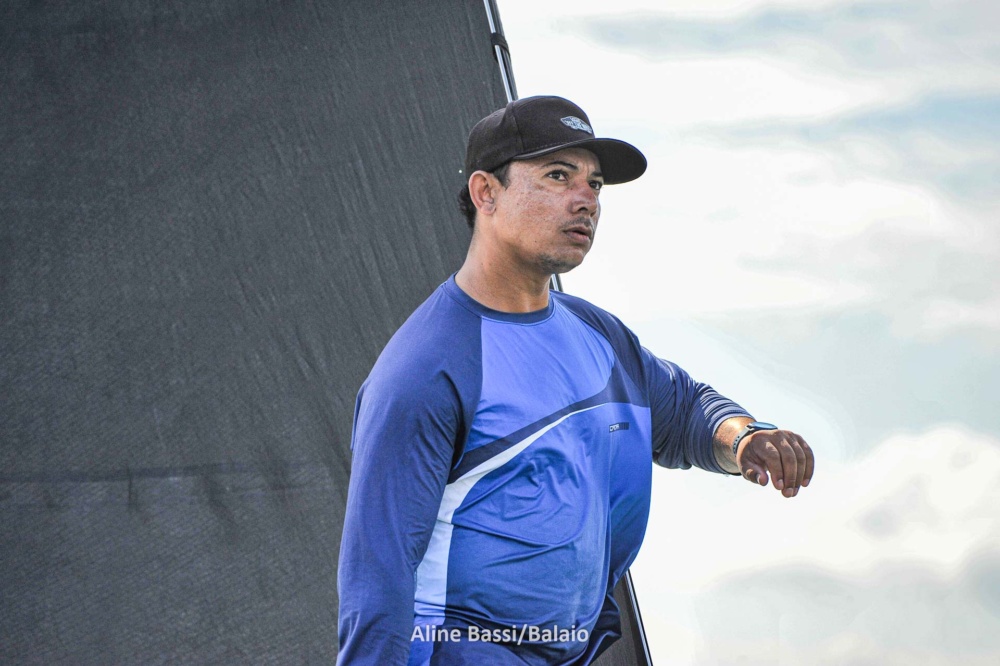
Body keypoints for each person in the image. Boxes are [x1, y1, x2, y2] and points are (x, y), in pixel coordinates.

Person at [336, 95, 814, 665]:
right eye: (558, 176)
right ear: (486, 193)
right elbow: (376, 579)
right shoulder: (426, 369)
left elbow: (684, 409)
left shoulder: (599, 336)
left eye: (595, 184)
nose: (585, 200)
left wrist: (744, 439)